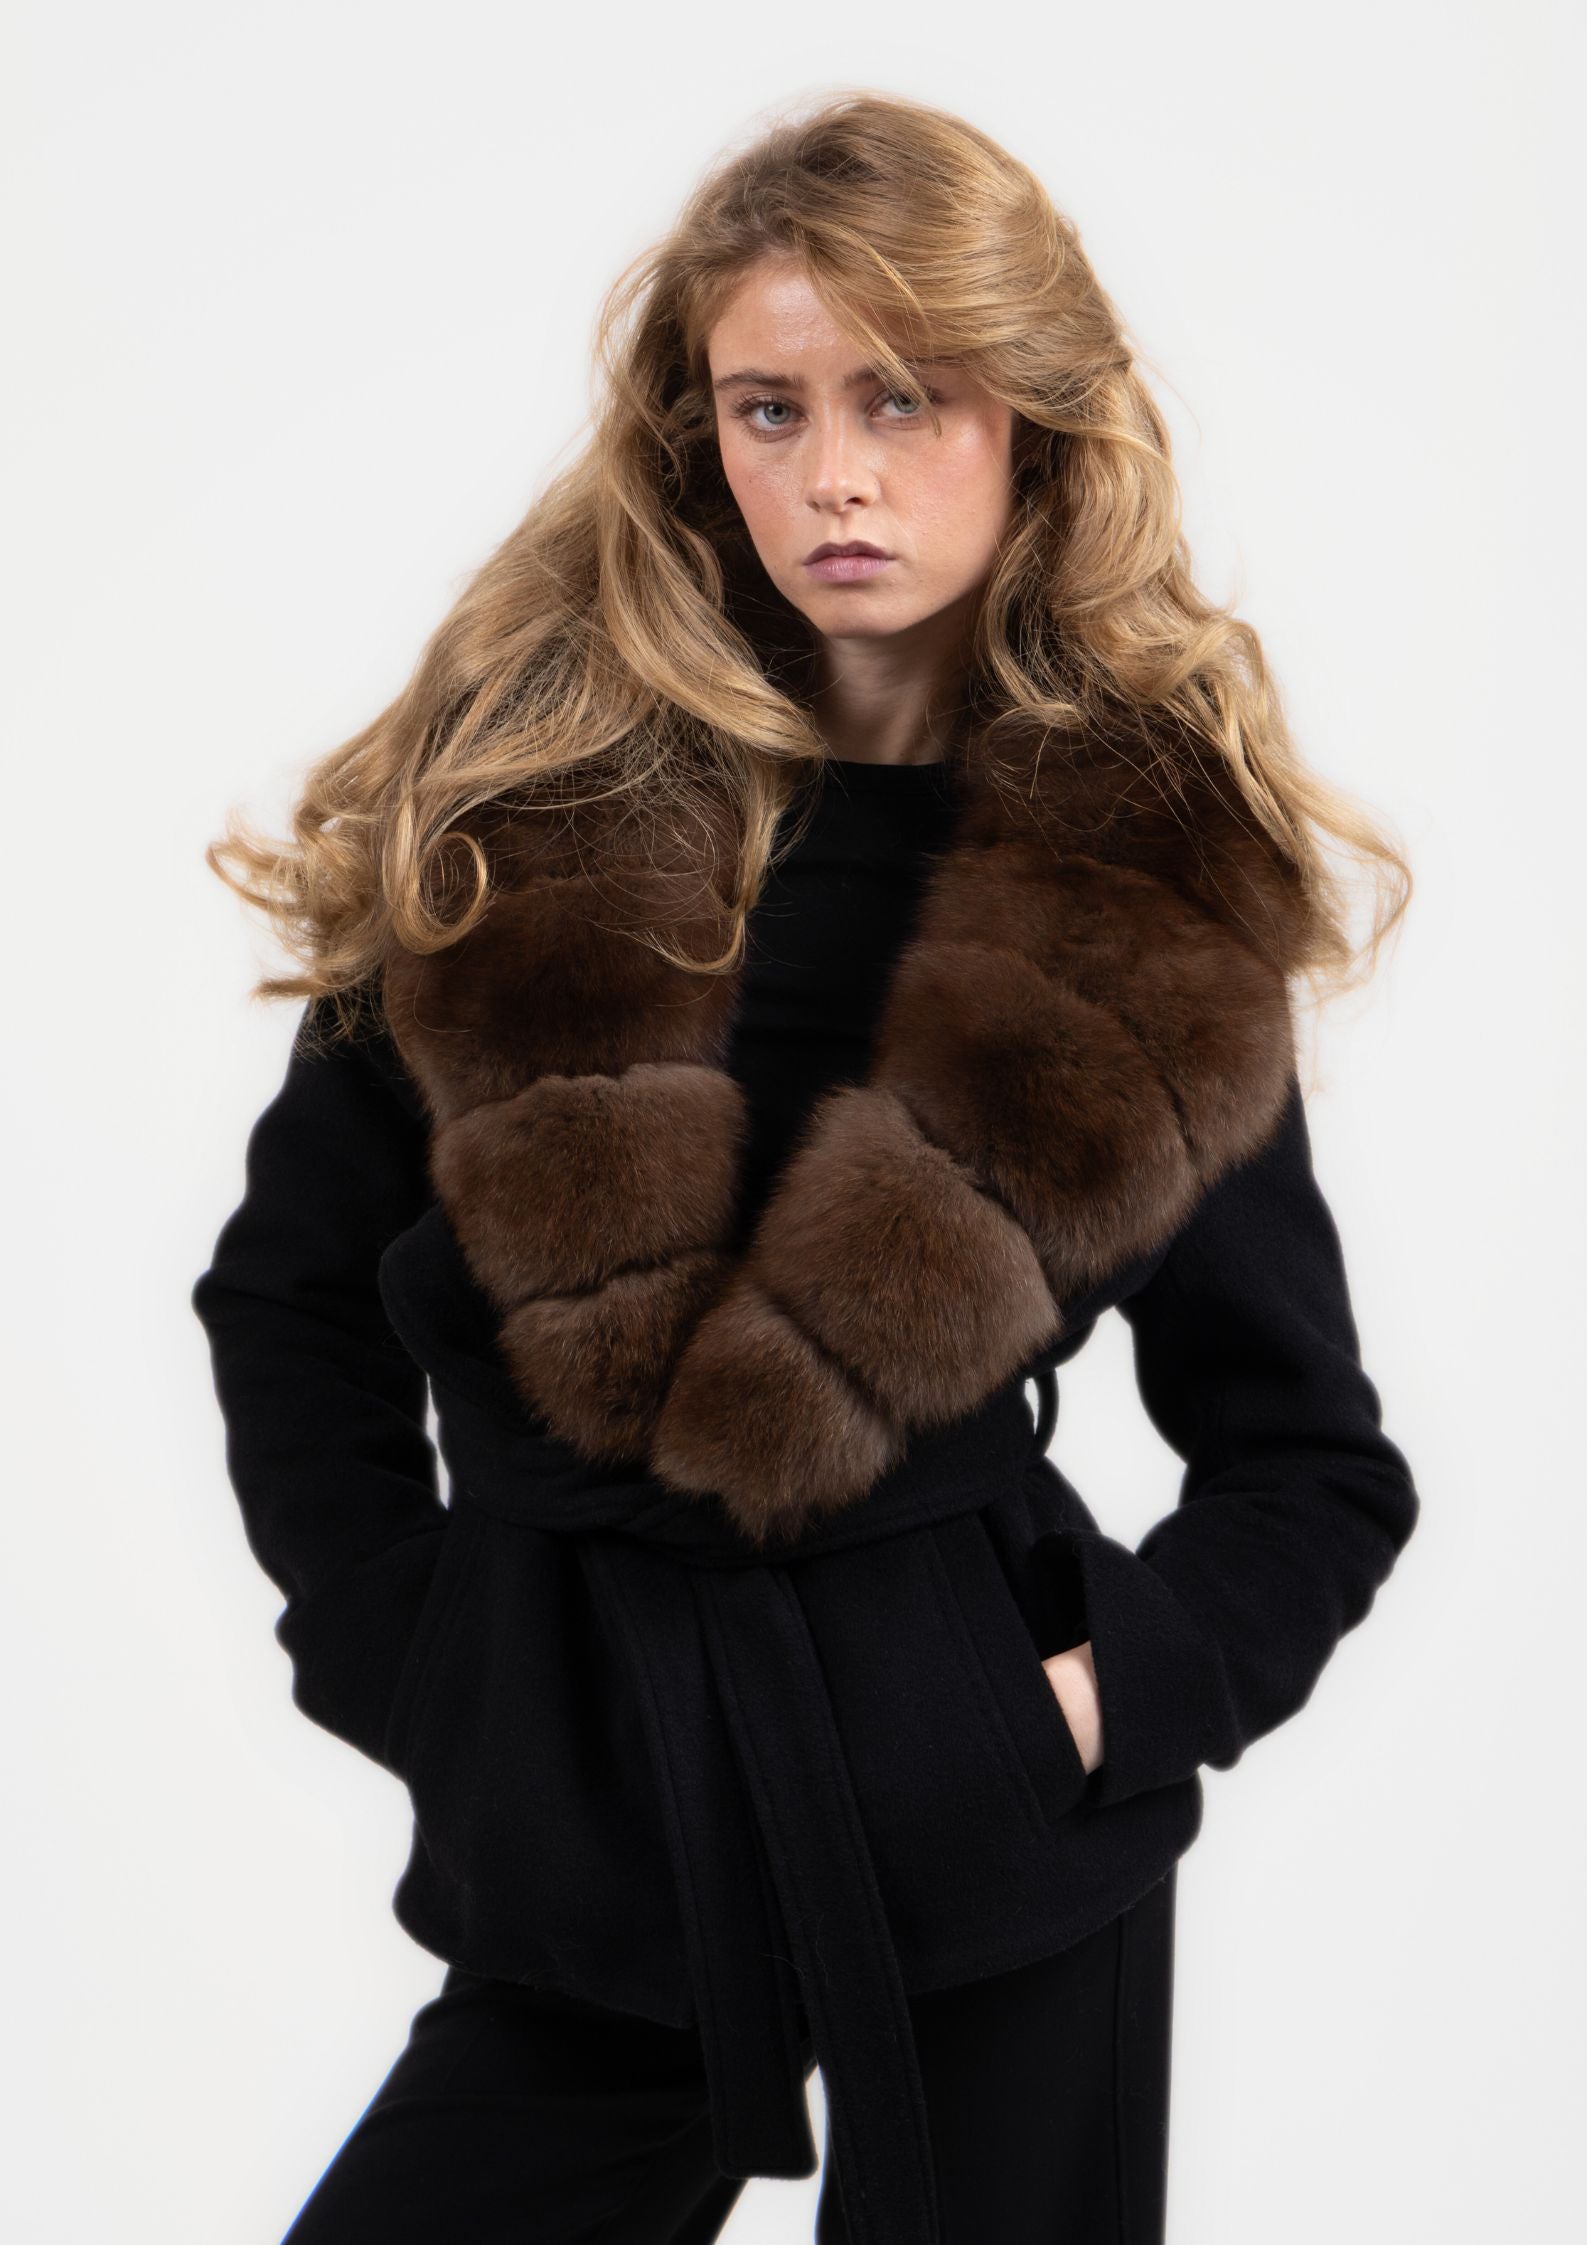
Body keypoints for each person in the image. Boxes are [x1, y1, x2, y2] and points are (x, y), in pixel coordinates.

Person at [191, 91, 1421, 2245]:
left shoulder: (1142, 910)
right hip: (600, 1814)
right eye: (770, 408)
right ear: (701, 438)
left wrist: (1090, 1705)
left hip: (996, 1827)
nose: (834, 473)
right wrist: (434, 1671)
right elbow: (289, 1302)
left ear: (1031, 422)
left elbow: (1308, 1460)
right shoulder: (517, 828)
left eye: (901, 398)